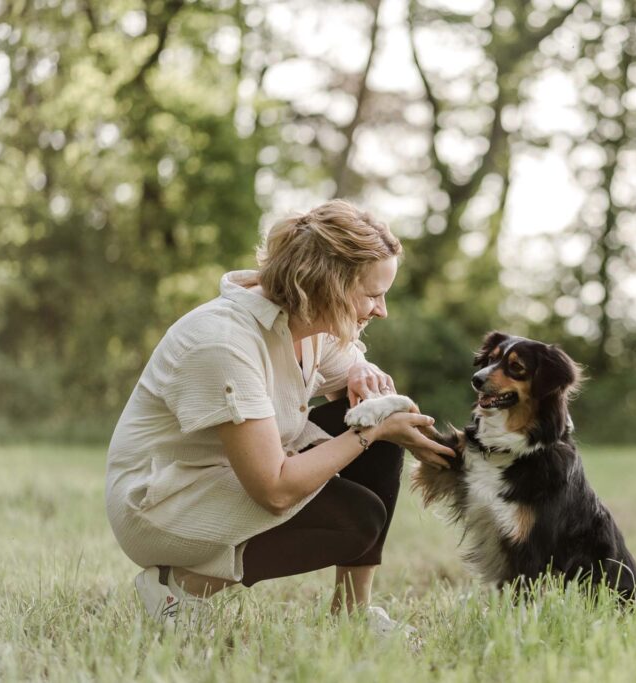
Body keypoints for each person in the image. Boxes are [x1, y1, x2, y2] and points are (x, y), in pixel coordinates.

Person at [105, 200, 455, 629]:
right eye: (373, 295)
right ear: (329, 286)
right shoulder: (224, 342)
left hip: (227, 473)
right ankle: (179, 586)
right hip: (165, 503)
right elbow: (273, 489)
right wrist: (374, 430)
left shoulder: (308, 322)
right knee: (357, 514)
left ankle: (352, 614)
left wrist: (369, 378)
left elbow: (364, 381)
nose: (381, 310)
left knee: (368, 420)